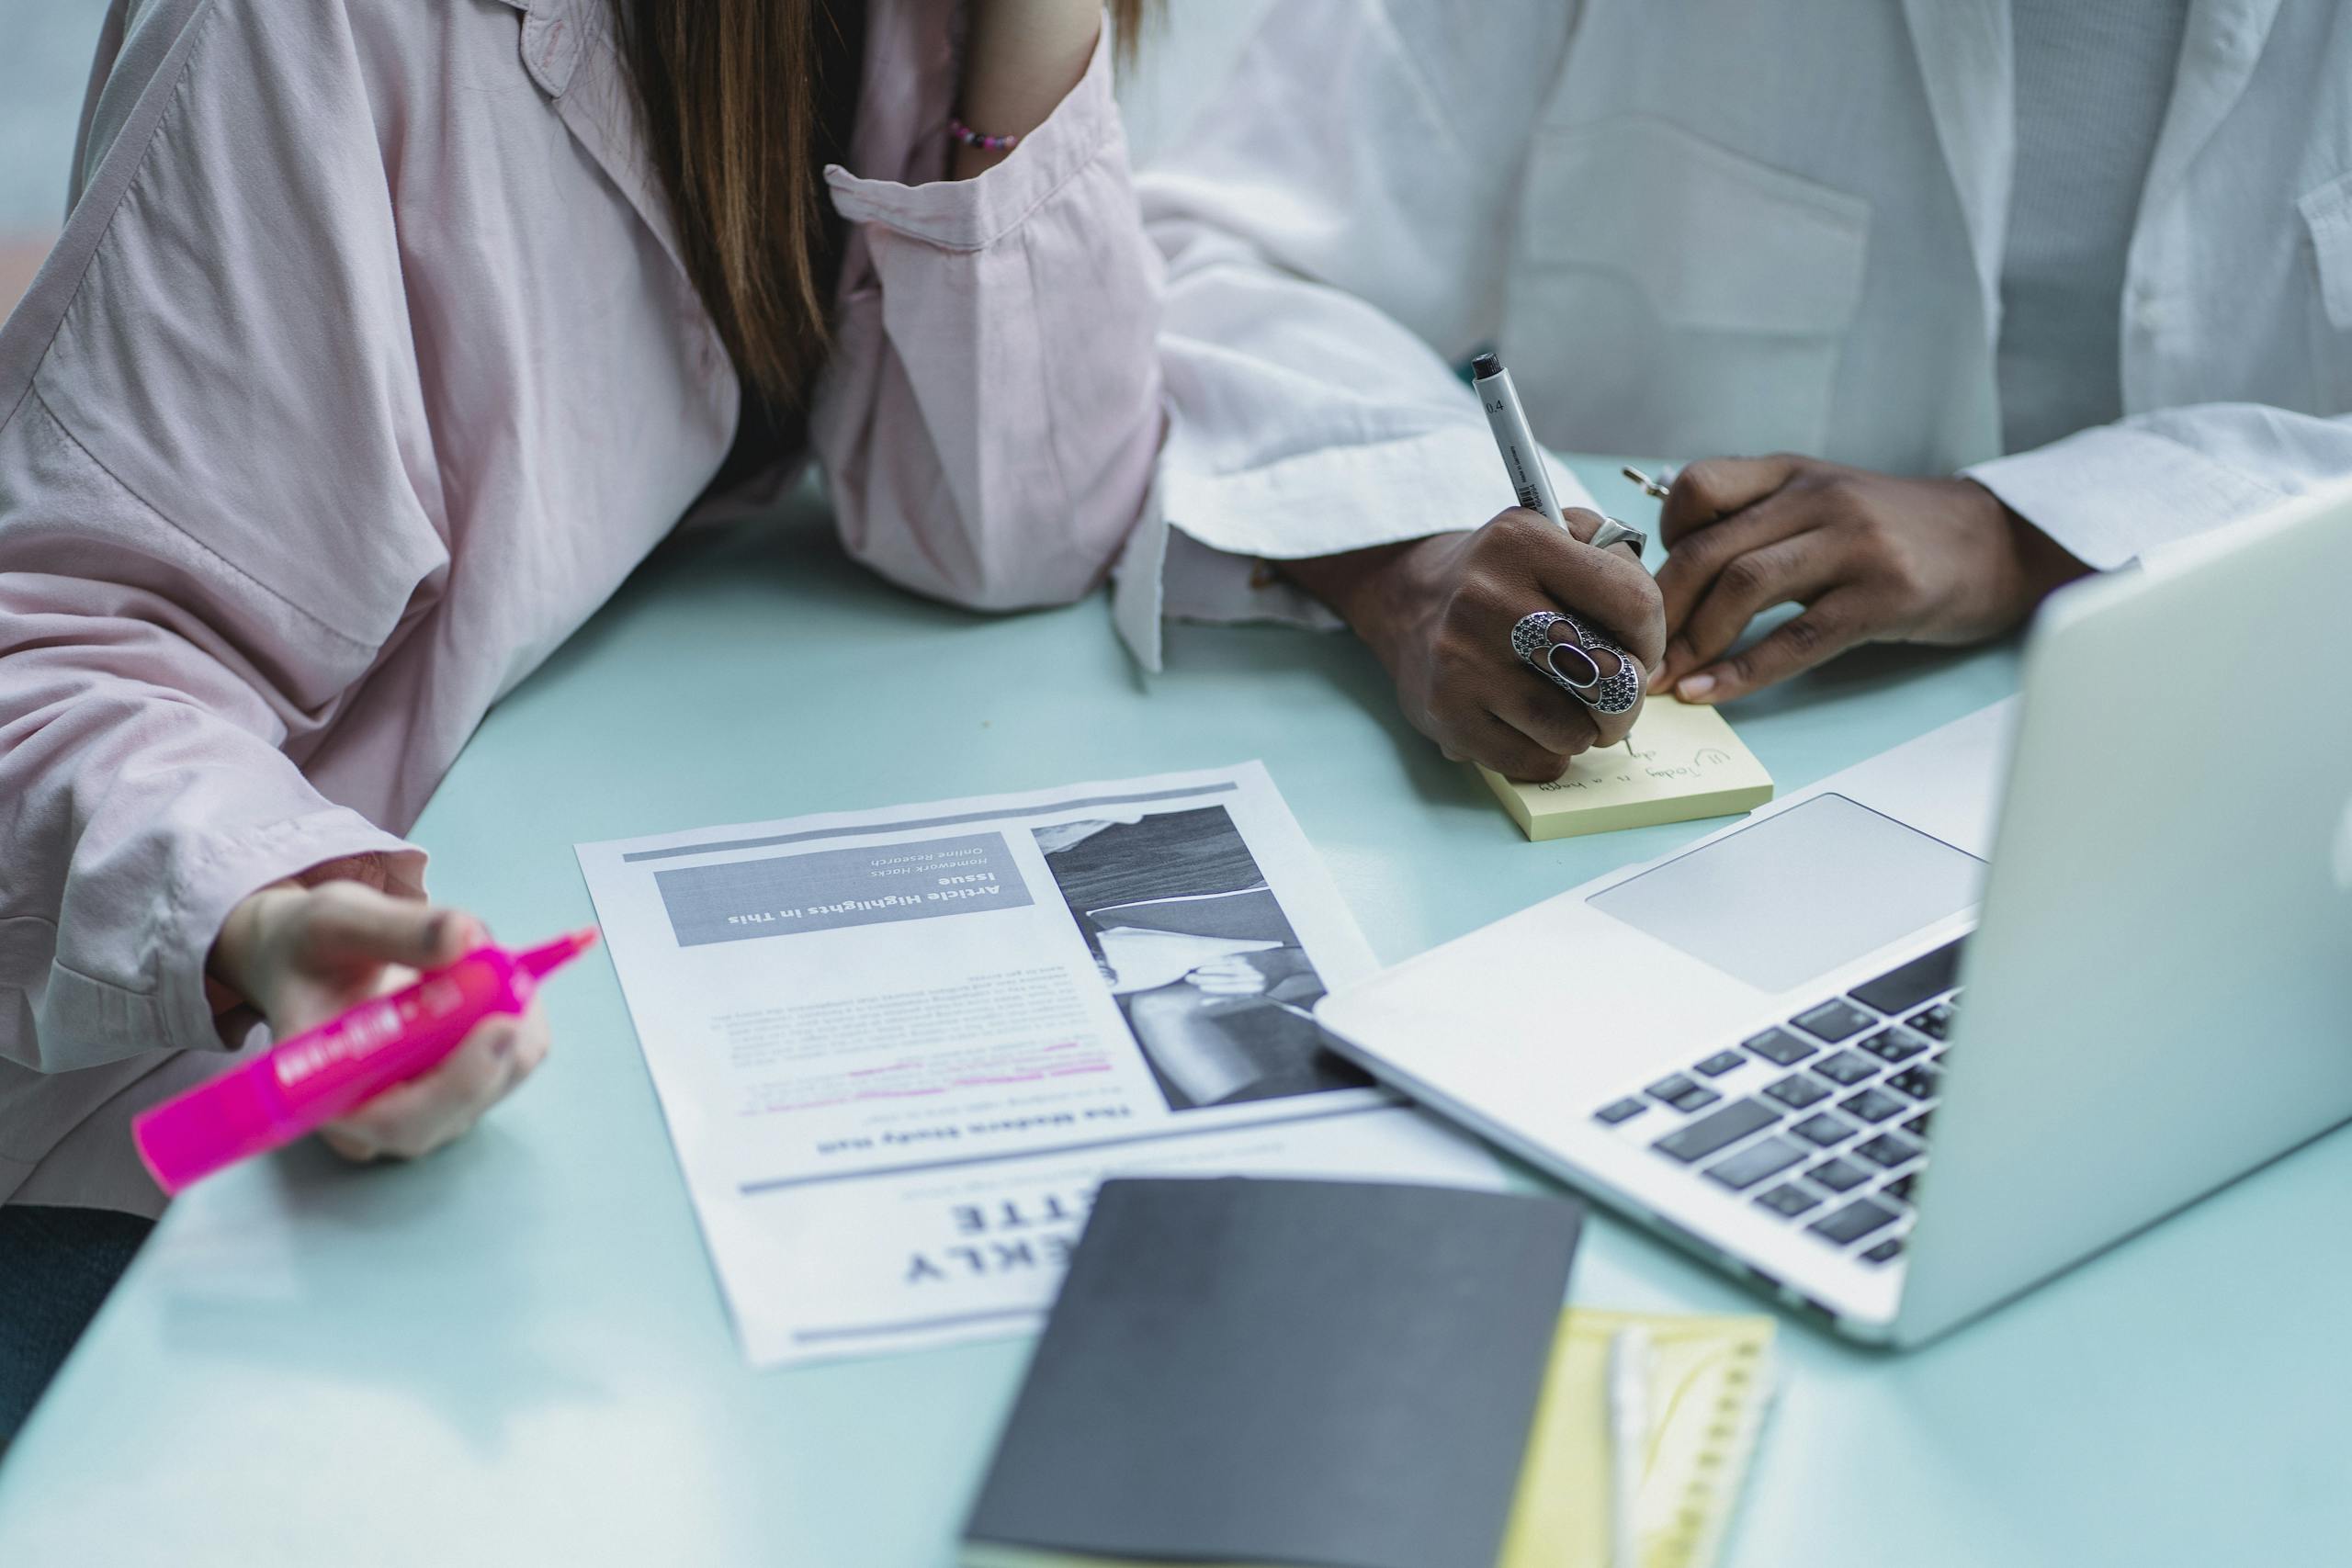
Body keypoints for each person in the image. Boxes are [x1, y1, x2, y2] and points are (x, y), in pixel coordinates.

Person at [0, 0, 1170, 1435]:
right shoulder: (305, 29)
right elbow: (51, 662)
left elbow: (1017, 528)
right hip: (166, 1164)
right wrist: (268, 913)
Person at [1125, 0, 2352, 769]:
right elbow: (1214, 259)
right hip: (1698, 817)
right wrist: (1416, 553)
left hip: (2266, 776)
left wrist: (2021, 536)